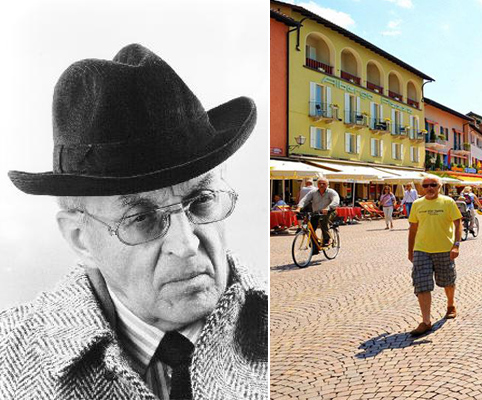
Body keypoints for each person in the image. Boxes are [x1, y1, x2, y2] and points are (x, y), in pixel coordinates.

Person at [1, 44, 266, 399]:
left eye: (201, 202)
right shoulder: (11, 360)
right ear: (80, 238)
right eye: (142, 219)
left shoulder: (278, 319)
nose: (186, 244)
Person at [407, 174, 462, 336]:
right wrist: (410, 250)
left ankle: (450, 304)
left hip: (444, 248)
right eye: (426, 186)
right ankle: (426, 321)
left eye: (433, 185)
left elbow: (458, 223)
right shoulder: (417, 204)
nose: (429, 188)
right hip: (421, 249)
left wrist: (456, 245)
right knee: (421, 283)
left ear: (440, 187)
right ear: (421, 188)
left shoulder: (448, 202)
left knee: (447, 280)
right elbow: (413, 229)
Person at [298, 176, 340, 250]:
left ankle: (327, 239)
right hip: (316, 212)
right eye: (320, 183)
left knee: (323, 221)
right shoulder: (313, 192)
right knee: (310, 227)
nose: (321, 185)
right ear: (317, 185)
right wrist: (299, 207)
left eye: (323, 183)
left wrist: (328, 208)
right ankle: (315, 246)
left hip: (330, 211)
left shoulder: (331, 192)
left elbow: (336, 200)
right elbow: (305, 199)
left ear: (327, 184)